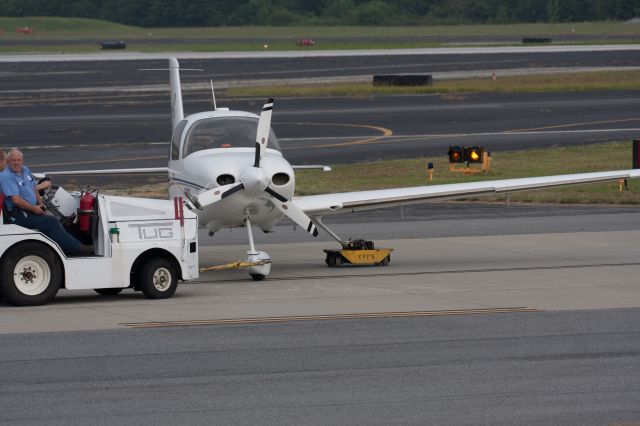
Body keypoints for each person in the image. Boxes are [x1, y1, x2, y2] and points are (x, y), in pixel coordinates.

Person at [0, 149, 92, 255]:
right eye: (13, 160)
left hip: (30, 208)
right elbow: (16, 200)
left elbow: (33, 188)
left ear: (22, 160)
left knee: (60, 220)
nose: (17, 163)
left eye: (19, 160)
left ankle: (75, 243)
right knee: (51, 222)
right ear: (8, 161)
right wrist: (34, 208)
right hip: (18, 214)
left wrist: (40, 203)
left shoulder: (25, 170)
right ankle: (77, 249)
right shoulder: (7, 176)